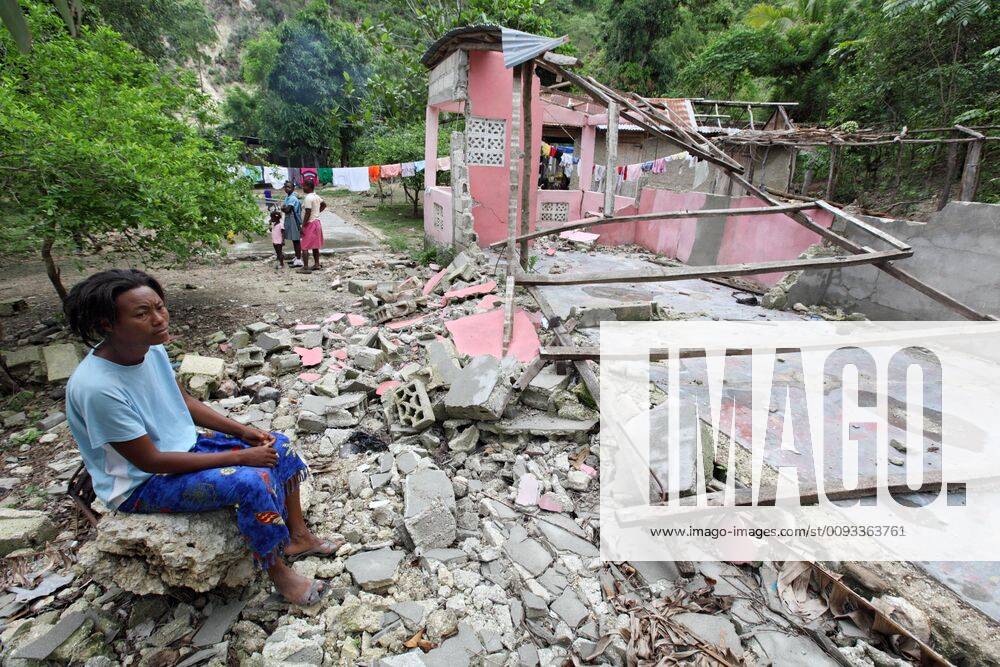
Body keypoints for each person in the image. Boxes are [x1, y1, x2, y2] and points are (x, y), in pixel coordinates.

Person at [64, 269, 341, 605]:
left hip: (183, 447)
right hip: (141, 483)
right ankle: (279, 573)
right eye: (142, 314)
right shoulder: (98, 388)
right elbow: (149, 461)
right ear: (107, 324)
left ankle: (298, 536)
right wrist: (240, 457)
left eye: (159, 307)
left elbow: (184, 400)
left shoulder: (149, 349)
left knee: (277, 444)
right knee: (251, 482)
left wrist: (242, 431)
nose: (158, 319)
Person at [298, 175, 325, 272]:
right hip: (317, 222)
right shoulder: (316, 196)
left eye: (304, 186)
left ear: (309, 187)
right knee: (315, 245)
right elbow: (324, 204)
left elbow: (308, 212)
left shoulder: (308, 198)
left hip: (310, 223)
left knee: (304, 246)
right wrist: (317, 212)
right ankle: (316, 264)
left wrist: (303, 225)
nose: (303, 187)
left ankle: (305, 267)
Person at [281, 181, 303, 268]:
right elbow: (285, 208)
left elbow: (287, 210)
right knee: (294, 239)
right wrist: (284, 208)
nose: (287, 189)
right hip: (289, 219)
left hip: (294, 220)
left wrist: (283, 208)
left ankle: (299, 260)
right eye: (286, 187)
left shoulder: (293, 198)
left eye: (289, 187)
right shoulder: (287, 197)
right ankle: (297, 257)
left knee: (296, 239)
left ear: (293, 188)